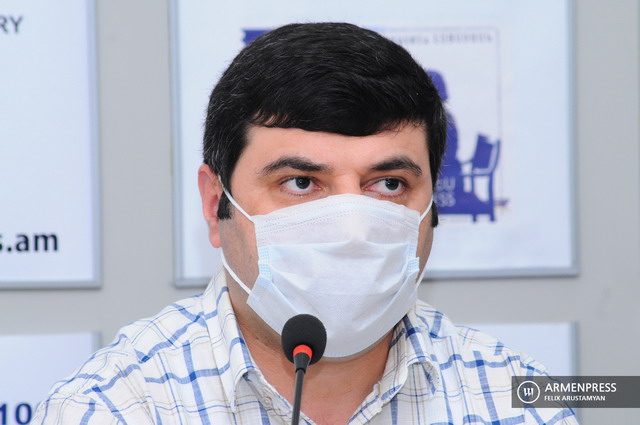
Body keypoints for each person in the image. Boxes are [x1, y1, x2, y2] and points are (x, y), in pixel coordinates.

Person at [32, 23, 577, 424]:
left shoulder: (518, 401)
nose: (353, 230)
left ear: (432, 206)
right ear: (216, 202)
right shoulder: (113, 407)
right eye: (300, 183)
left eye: (389, 185)